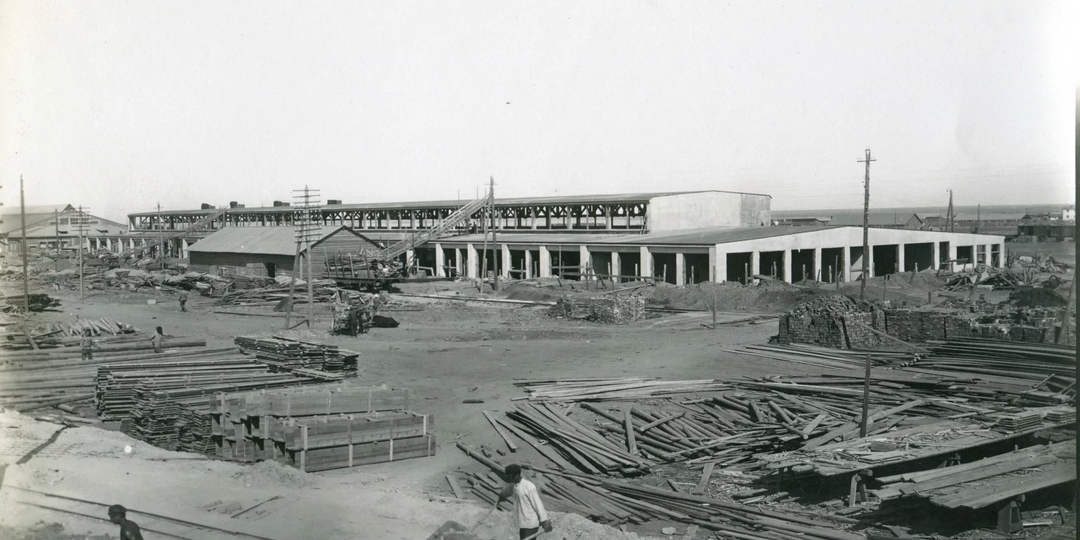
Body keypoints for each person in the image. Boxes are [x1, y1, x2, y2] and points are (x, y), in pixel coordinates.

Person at [497, 464, 552, 540]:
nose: (510, 479)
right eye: (508, 476)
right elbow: (507, 491)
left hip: (531, 523)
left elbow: (538, 504)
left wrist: (544, 521)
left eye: (511, 476)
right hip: (523, 523)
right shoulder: (514, 485)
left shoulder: (528, 486)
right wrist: (501, 496)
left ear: (517, 474)